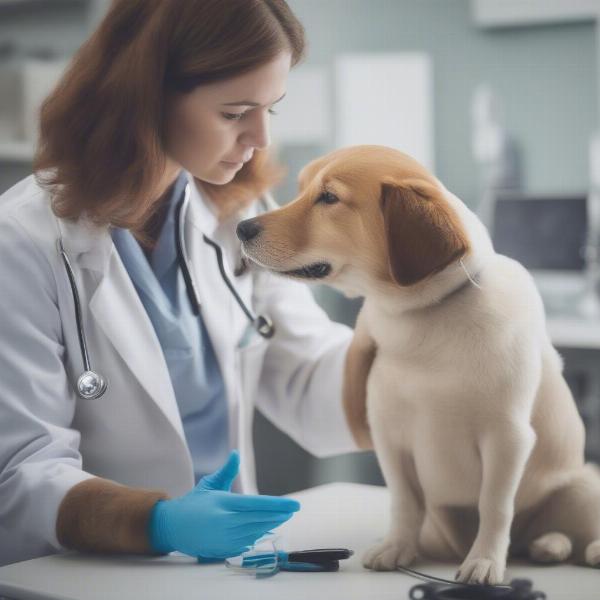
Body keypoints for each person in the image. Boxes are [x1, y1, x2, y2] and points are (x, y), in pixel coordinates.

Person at [0, 0, 360, 567]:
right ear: (146, 98)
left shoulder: (237, 214)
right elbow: (20, 474)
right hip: (92, 574)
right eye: (235, 112)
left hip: (228, 567)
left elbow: (307, 374)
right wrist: (156, 522)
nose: (260, 138)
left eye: (271, 109)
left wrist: (415, 350)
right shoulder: (21, 242)